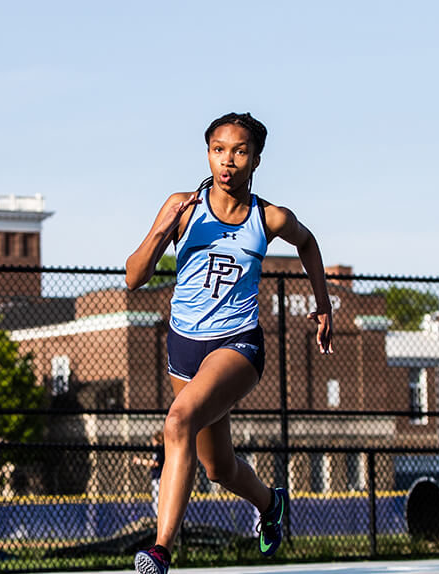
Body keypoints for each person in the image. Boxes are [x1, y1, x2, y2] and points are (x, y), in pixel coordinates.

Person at [125, 112, 334, 574]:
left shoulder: (269, 217)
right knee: (218, 468)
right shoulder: (182, 207)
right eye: (219, 150)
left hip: (237, 345)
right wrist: (165, 230)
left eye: (240, 151)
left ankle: (159, 550)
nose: (228, 161)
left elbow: (309, 242)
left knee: (178, 421)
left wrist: (323, 305)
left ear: (256, 159)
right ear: (208, 154)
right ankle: (271, 503)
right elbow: (134, 277)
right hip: (184, 348)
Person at [132, 430, 165, 517]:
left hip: (159, 478)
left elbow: (155, 463)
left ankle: (160, 517)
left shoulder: (160, 448)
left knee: (158, 500)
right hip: (157, 478)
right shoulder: (158, 449)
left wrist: (140, 461)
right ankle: (159, 517)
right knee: (156, 499)